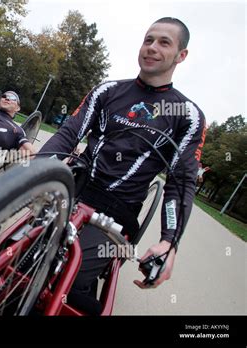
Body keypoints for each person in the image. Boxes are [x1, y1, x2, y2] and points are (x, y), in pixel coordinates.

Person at [39, 17, 206, 314]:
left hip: (115, 214)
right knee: (10, 250)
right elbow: (68, 134)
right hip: (74, 188)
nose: (152, 47)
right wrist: (36, 170)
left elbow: (180, 181)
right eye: (148, 39)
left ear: (182, 55)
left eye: (164, 42)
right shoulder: (108, 90)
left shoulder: (188, 116)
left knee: (64, 276)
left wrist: (170, 242)